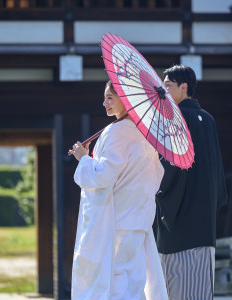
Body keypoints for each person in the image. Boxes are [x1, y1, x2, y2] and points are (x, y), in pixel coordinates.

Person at [70, 81, 168, 300]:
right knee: (133, 278)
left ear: (125, 98)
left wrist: (84, 159)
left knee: (114, 279)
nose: (104, 103)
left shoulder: (116, 132)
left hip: (116, 219)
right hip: (138, 216)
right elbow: (156, 175)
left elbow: (103, 176)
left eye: (110, 98)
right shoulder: (146, 134)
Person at [155, 65, 228, 300]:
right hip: (204, 223)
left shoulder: (174, 120)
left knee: (175, 287)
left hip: (179, 222)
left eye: (168, 86)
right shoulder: (208, 120)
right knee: (200, 289)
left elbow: (166, 170)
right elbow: (216, 168)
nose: (164, 91)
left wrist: (156, 190)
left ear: (183, 87)